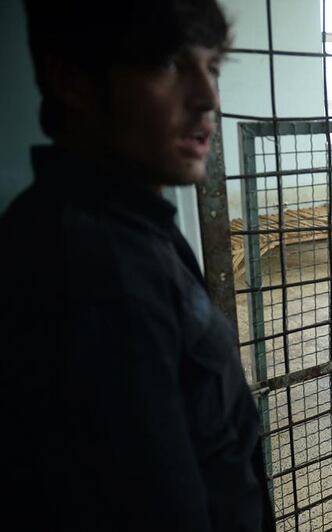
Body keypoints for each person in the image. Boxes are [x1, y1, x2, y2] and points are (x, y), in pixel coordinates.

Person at [0, 1, 276, 531]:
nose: (208, 98)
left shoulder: (133, 224)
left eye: (212, 67)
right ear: (72, 78)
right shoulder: (95, 273)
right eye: (168, 63)